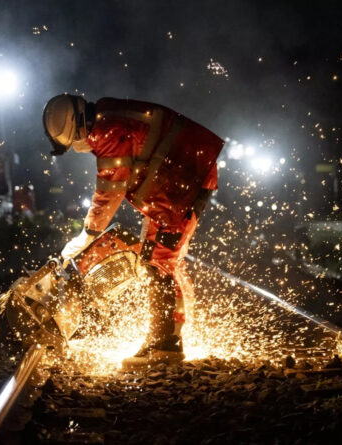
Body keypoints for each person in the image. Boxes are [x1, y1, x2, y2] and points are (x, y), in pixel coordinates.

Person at [43, 94, 223, 368]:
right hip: (176, 183)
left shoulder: (108, 132)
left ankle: (163, 346)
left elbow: (110, 188)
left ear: (77, 128)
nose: (79, 147)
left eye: (73, 141)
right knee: (162, 261)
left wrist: (87, 234)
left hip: (185, 181)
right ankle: (170, 336)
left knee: (158, 265)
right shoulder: (109, 116)